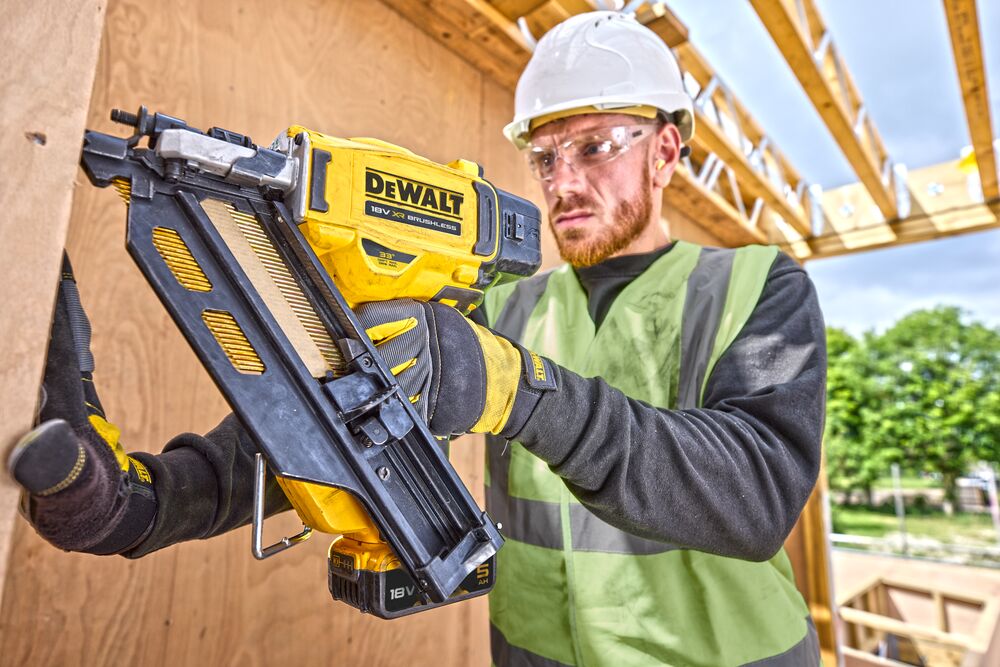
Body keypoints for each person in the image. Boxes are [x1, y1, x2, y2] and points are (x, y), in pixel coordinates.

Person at [9, 10, 825, 667]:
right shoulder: (507, 304)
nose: (563, 180)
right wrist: (153, 502)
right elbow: (345, 408)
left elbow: (754, 497)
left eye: (595, 147)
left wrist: (513, 386)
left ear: (666, 151)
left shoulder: (757, 284)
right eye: (543, 155)